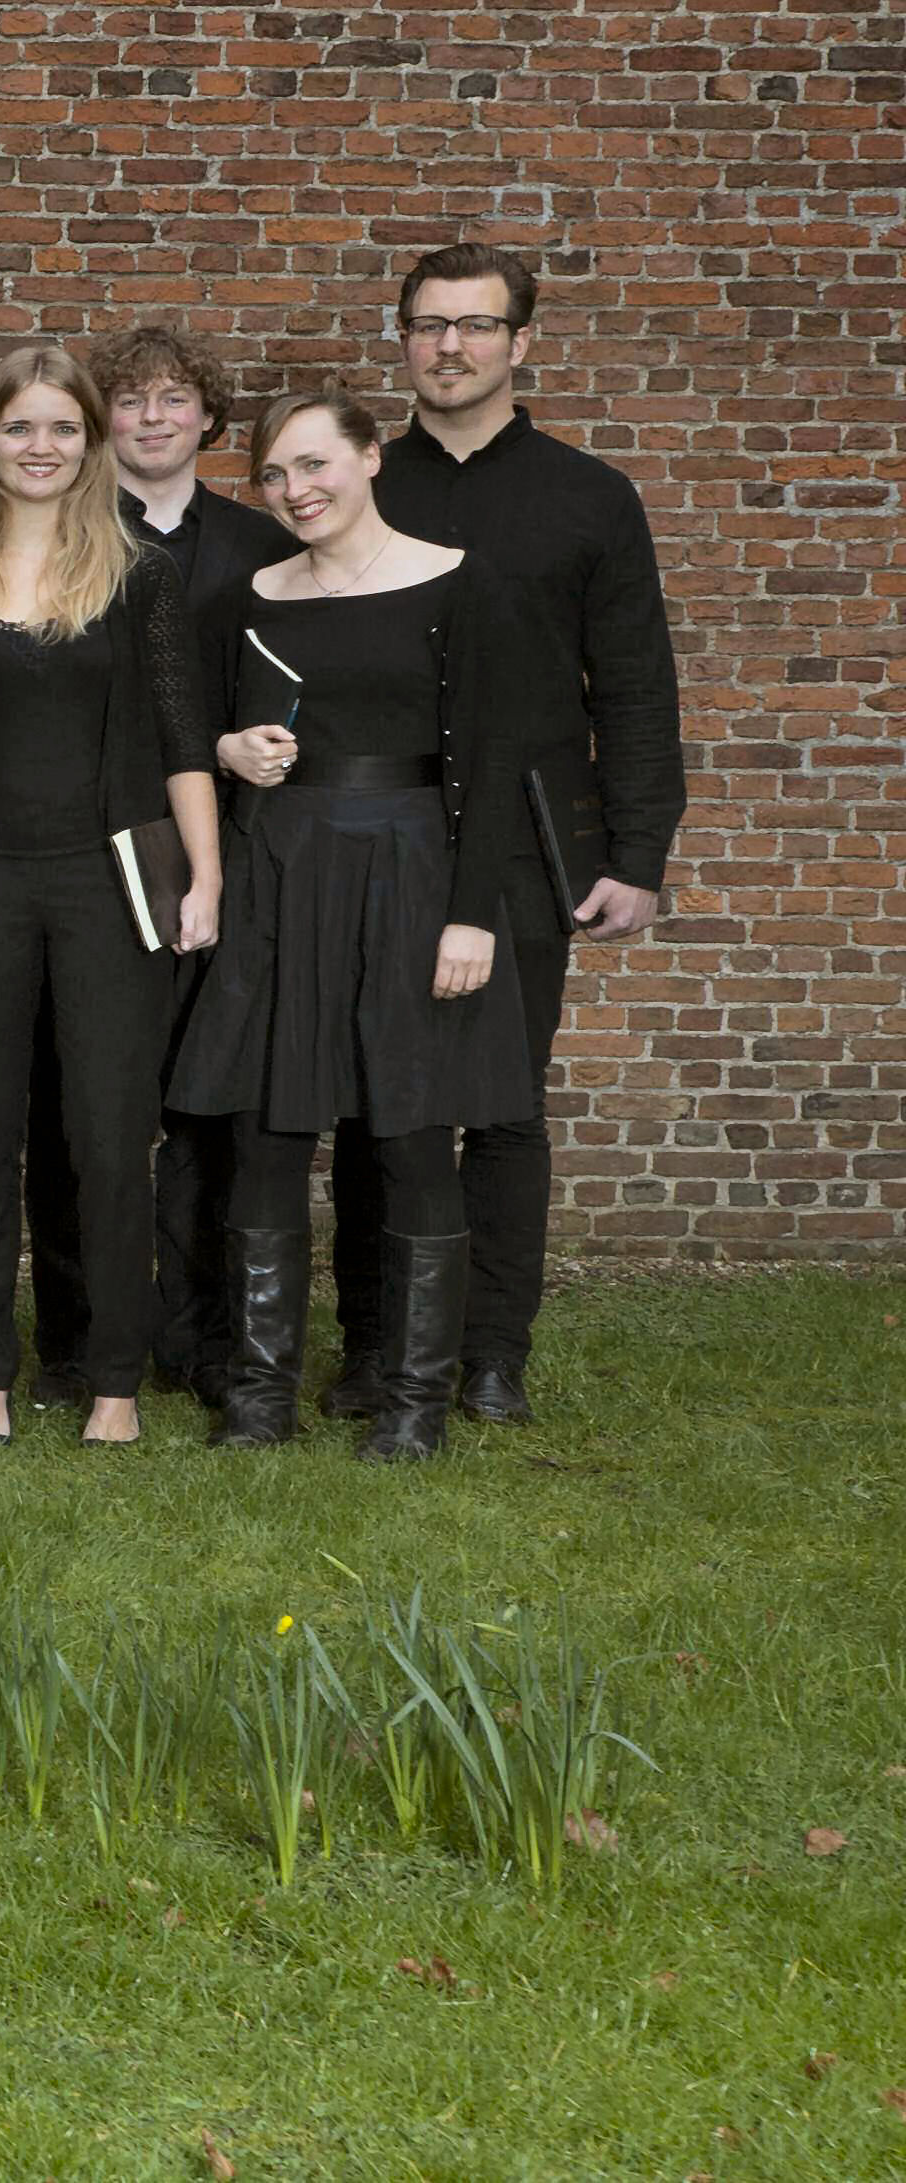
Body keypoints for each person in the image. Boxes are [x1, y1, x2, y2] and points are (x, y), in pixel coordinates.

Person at [167, 388, 546, 1460]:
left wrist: (471, 918)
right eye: (276, 475)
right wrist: (229, 751)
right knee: (268, 1137)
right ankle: (257, 1401)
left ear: (371, 457)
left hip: (418, 871)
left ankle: (415, 1409)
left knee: (418, 1138)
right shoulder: (242, 603)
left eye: (316, 465)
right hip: (284, 870)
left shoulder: (461, 586)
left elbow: (491, 762)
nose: (297, 491)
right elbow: (182, 728)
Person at [359, 243, 685, 1427]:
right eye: (428, 325)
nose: (450, 347)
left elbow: (638, 687)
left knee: (501, 1107)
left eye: (476, 326)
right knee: (377, 1100)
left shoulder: (588, 496)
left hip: (532, 845)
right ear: (401, 339)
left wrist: (636, 855)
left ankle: (494, 1355)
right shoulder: (359, 484)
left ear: (521, 342)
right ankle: (379, 1351)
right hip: (380, 834)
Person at [0, 347, 219, 1450]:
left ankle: (113, 1385)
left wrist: (206, 878)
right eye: (21, 428)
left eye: (63, 430)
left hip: (108, 884)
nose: (42, 448)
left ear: (91, 444)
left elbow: (185, 741)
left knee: (106, 1136)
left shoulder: (141, 576)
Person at [94, 320, 300, 1392]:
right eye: (131, 401)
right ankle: (106, 1331)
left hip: (243, 847)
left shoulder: (265, 544)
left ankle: (209, 1334)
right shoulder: (75, 533)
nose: (153, 418)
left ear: (208, 418)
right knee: (111, 1102)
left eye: (174, 399)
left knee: (214, 1101)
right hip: (113, 839)